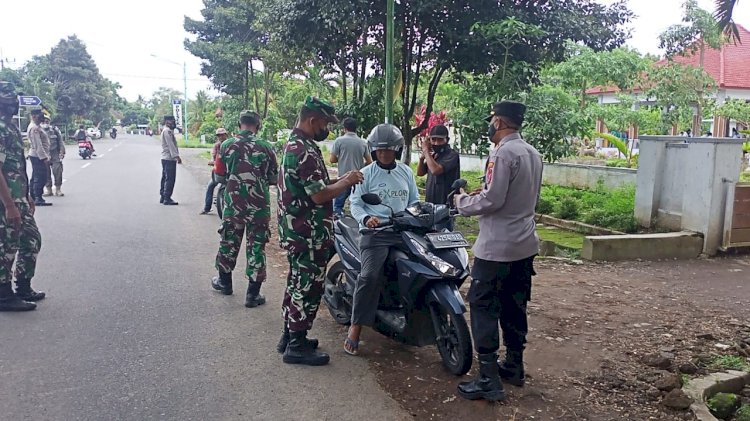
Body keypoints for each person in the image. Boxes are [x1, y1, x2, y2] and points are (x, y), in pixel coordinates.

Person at [454, 101, 543, 402]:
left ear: (501, 122)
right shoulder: (532, 153)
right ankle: (515, 366)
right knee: (515, 305)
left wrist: (462, 202)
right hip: (524, 244)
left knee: (483, 307)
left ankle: (489, 378)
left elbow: (492, 200)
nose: (489, 124)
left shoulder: (502, 153)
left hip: (496, 248)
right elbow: (520, 195)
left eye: (492, 119)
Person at [277, 96, 363, 366]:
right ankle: (297, 345)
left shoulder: (298, 144)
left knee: (296, 283)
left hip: (298, 230)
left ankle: (289, 335)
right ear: (313, 120)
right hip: (307, 232)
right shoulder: (303, 149)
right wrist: (346, 180)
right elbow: (318, 195)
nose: (327, 127)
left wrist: (342, 180)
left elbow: (317, 185)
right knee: (307, 286)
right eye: (325, 122)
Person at [343, 124, 420, 356]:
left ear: (397, 150)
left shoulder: (406, 172)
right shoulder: (365, 174)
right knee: (369, 276)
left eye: (389, 150)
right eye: (380, 150)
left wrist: (417, 214)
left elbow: (414, 200)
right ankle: (355, 327)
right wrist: (366, 218)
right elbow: (355, 204)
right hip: (375, 234)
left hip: (403, 230)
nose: (384, 154)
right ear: (373, 150)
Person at [210, 112, 277, 308]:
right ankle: (252, 295)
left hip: (233, 204)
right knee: (256, 247)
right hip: (259, 207)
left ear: (239, 124)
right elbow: (273, 178)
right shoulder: (267, 147)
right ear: (258, 125)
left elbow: (220, 175)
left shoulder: (226, 145)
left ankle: (225, 283)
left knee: (229, 241)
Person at [0, 81, 44, 311]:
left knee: (31, 239)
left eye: (12, 100)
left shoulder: (11, 127)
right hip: (5, 200)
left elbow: (18, 167)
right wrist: (9, 205)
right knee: (7, 246)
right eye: (7, 100)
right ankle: (4, 296)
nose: (12, 104)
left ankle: (23, 286)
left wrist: (27, 197)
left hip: (19, 198)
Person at [330, 117, 371, 217]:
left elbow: (332, 160)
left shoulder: (339, 141)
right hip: (358, 178)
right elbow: (370, 161)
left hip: (344, 178)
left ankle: (339, 220)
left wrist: (342, 158)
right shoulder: (363, 143)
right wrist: (360, 166)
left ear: (344, 128)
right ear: (356, 128)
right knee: (358, 203)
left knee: (338, 205)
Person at [417, 124, 460, 205]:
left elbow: (435, 170)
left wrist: (426, 151)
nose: (436, 143)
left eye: (440, 140)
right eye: (433, 140)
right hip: (430, 201)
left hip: (445, 202)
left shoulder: (452, 155)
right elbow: (420, 173)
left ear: (446, 140)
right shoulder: (434, 156)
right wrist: (422, 158)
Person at [200, 127, 229, 215]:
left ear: (226, 135)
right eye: (218, 135)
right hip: (220, 170)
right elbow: (213, 156)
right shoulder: (217, 145)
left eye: (222, 135)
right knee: (210, 186)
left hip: (230, 170)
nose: (220, 137)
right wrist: (213, 162)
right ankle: (207, 208)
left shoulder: (231, 144)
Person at [27, 109, 52, 207]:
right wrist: (44, 158)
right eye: (39, 116)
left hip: (36, 155)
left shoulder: (36, 126)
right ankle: (38, 197)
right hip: (38, 156)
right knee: (40, 177)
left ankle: (34, 196)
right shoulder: (34, 128)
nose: (41, 118)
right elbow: (38, 145)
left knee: (36, 176)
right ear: (33, 116)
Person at [160, 116, 181, 205]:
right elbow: (171, 145)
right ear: (167, 122)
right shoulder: (167, 131)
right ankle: (167, 198)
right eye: (172, 121)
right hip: (169, 158)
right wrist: (177, 156)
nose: (174, 123)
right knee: (170, 179)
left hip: (165, 158)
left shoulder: (166, 130)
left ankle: (163, 196)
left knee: (165, 177)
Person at [43, 116, 66, 197]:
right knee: (46, 173)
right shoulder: (39, 130)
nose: (46, 122)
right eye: (44, 120)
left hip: (54, 153)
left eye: (47, 120)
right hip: (44, 154)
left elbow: (60, 141)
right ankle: (49, 190)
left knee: (58, 171)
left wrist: (62, 152)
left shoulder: (54, 130)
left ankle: (58, 189)